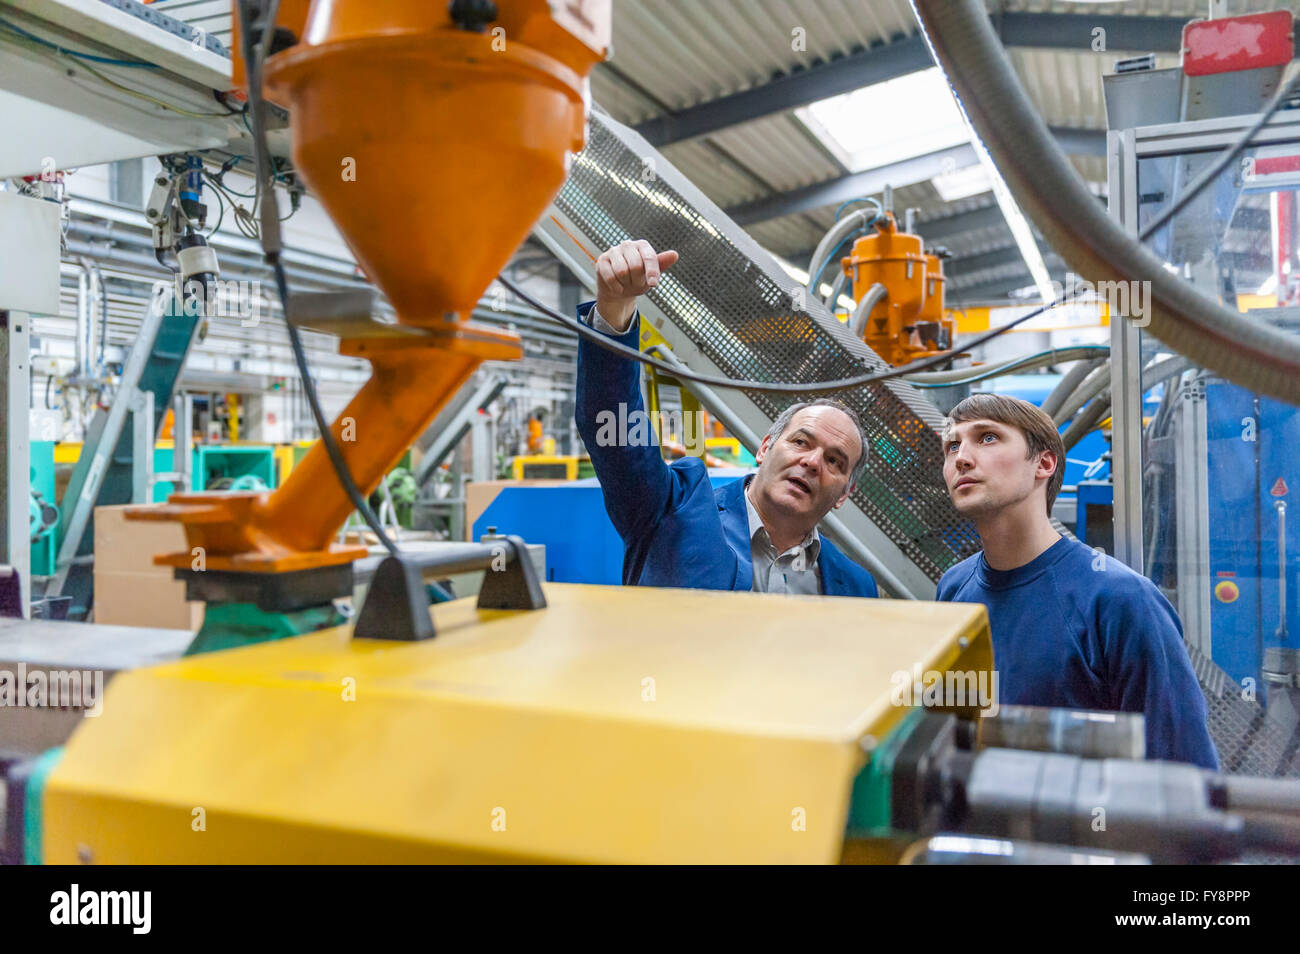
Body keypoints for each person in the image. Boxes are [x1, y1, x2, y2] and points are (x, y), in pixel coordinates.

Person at [574, 239, 878, 597]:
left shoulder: (855, 585)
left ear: (845, 493)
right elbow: (614, 428)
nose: (812, 462)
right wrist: (616, 307)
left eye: (834, 461)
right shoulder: (672, 510)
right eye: (800, 441)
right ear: (765, 447)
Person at [936, 392, 1218, 768]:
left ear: (1044, 463)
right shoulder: (953, 589)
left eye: (987, 437)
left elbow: (1183, 772)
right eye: (952, 445)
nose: (962, 458)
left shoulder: (1121, 600)